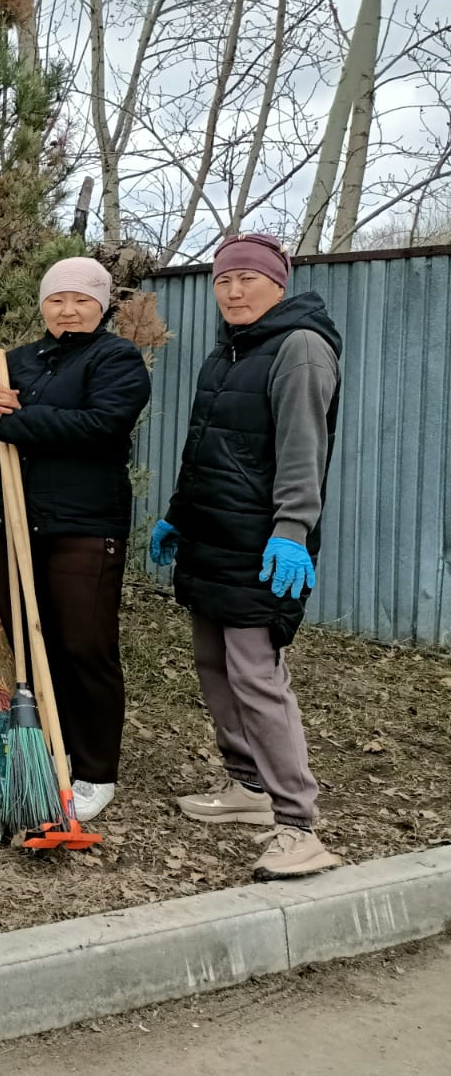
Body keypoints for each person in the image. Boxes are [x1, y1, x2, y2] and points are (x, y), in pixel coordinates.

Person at [151, 232, 343, 879]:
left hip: (264, 547)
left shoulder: (301, 349)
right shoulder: (226, 353)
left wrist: (292, 530)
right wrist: (179, 515)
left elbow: (301, 452)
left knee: (257, 676)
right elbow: (204, 445)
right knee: (213, 665)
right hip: (213, 537)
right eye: (223, 280)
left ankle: (299, 824)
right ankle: (248, 790)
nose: (233, 291)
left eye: (248, 280)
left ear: (278, 285)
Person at [0, 257, 151, 824]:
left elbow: (101, 426)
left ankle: (94, 771)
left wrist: (12, 422)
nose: (68, 310)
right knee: (18, 641)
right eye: (57, 299)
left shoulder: (116, 358)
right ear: (43, 305)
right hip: (8, 522)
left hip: (82, 526)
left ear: (102, 305)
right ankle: (47, 749)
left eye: (82, 300)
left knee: (82, 646)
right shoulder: (16, 361)